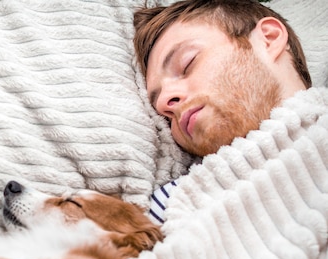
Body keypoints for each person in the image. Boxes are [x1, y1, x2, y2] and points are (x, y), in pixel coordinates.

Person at [132, 0, 312, 224]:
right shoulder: (170, 208)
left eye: (187, 63)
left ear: (269, 38)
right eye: (163, 113)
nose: (166, 101)